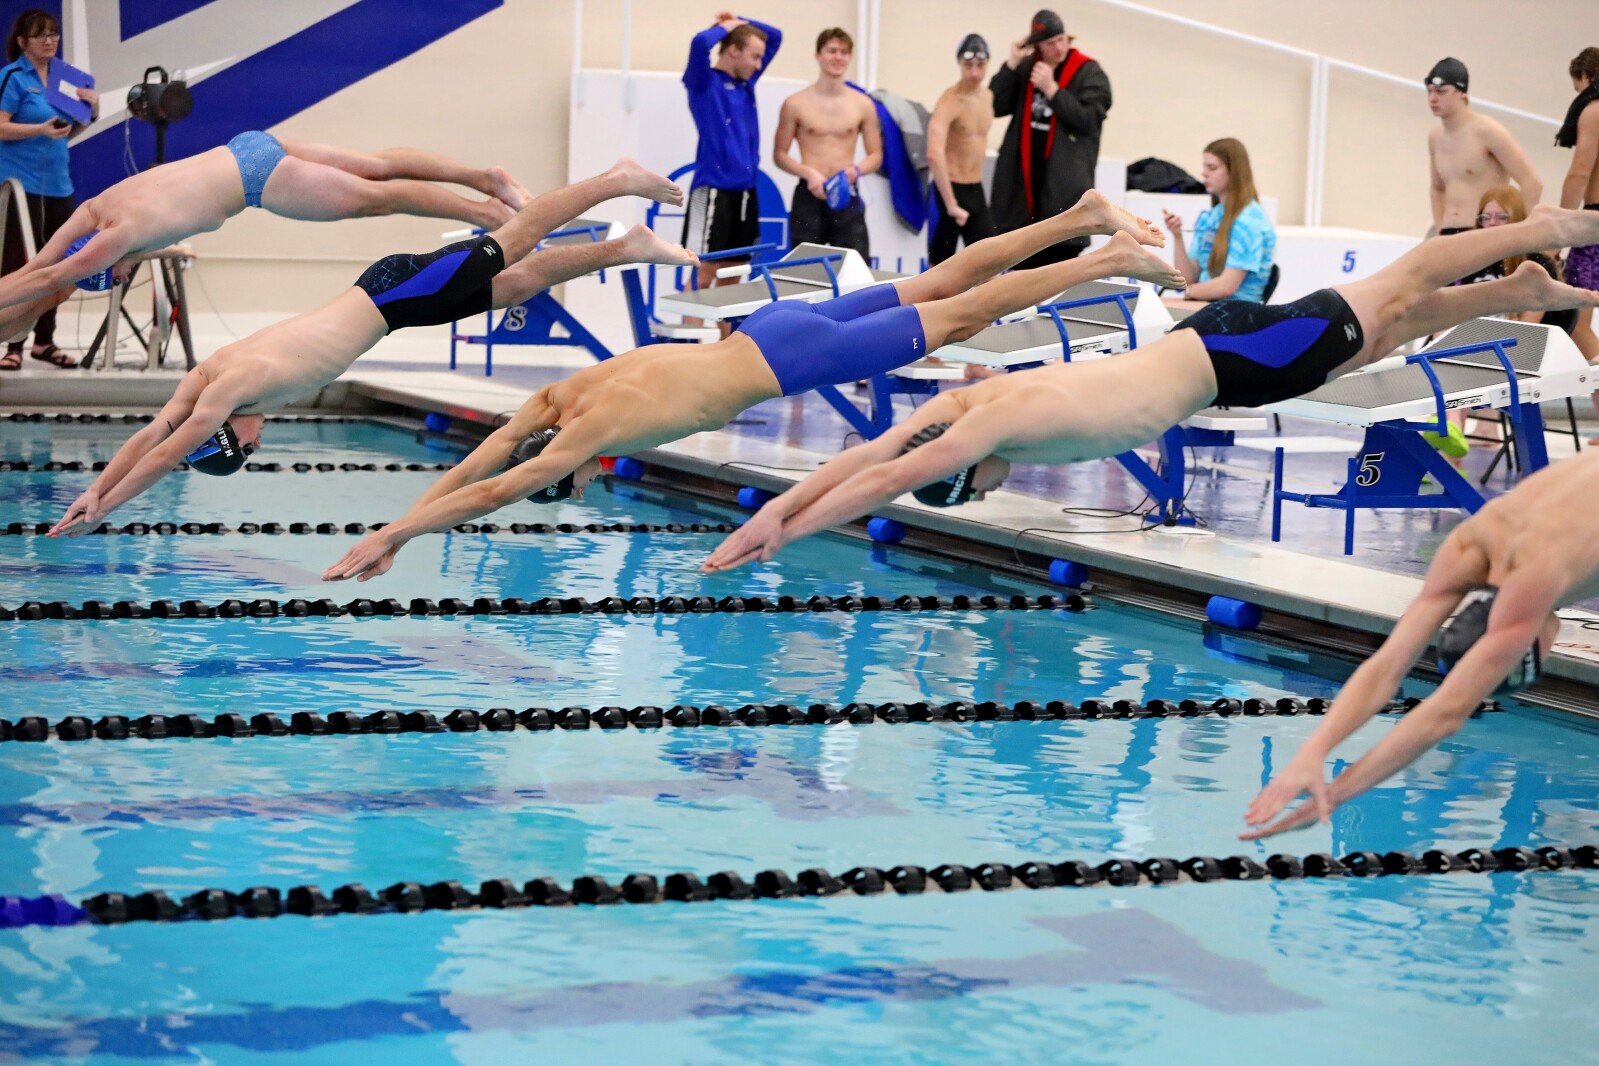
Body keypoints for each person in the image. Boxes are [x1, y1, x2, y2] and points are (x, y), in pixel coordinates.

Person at [318, 191, 1181, 583]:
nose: (573, 483)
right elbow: (488, 452)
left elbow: (498, 485)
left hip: (782, 362)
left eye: (565, 480)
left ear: (564, 461)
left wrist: (399, 538)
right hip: (762, 332)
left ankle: (1105, 256)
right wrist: (394, 527)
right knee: (942, 282)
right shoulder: (564, 397)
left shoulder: (582, 435)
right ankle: (1082, 217)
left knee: (962, 316)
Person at [700, 206, 1599, 573]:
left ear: (966, 478)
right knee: (1388, 321)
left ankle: (1545, 230)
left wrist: (773, 533)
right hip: (1216, 360)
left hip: (1237, 362)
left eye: (972, 490)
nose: (990, 492)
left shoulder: (979, 438)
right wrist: (773, 513)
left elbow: (874, 479)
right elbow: (865, 455)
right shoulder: (973, 404)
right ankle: (1519, 291)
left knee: (1395, 289)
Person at [46, 160, 690, 536]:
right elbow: (150, 435)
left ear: (221, 436)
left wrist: (106, 510)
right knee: (525, 279)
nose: (258, 442)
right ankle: (627, 247)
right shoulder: (205, 381)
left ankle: (616, 179)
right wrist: (96, 491)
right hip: (398, 307)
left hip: (397, 292)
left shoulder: (225, 395)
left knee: (520, 237)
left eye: (245, 447)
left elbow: (160, 458)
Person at [1239, 446, 1599, 840]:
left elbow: (1445, 714)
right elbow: (1383, 670)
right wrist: (1312, 751)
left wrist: (1335, 793)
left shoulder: (1515, 568)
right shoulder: (1478, 546)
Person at [0, 130, 531, 317]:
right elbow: (40, 264)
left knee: (378, 199)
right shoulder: (94, 210)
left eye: (111, 276)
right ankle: (484, 177)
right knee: (377, 164)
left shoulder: (116, 240)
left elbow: (50, 279)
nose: (119, 278)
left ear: (103, 259)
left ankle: (486, 213)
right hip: (247, 145)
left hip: (258, 180)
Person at [0, 8, 96, 370]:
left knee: (58, 265)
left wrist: (92, 112)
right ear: (22, 41)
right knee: (18, 266)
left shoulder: (63, 80)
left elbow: (66, 132)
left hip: (58, 184)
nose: (50, 40)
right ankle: (13, 344)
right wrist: (38, 129)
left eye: (54, 33)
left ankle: (44, 342)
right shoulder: (11, 77)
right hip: (18, 187)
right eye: (40, 34)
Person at [989, 9, 1110, 271]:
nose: (1058, 47)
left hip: (1063, 189)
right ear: (1037, 46)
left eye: (1061, 39)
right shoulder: (1027, 68)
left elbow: (1089, 119)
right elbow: (994, 106)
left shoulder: (1089, 72)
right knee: (1019, 274)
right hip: (1024, 191)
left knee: (1056, 272)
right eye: (1049, 43)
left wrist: (1052, 90)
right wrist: (1011, 65)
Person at [681, 11, 781, 297]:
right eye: (755, 56)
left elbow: (776, 36)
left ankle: (727, 343)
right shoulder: (703, 82)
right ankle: (690, 343)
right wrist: (728, 27)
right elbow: (700, 43)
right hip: (714, 190)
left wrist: (740, 18)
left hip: (746, 193)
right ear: (733, 50)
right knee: (705, 271)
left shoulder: (746, 83)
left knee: (733, 274)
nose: (759, 64)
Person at [772, 27, 882, 258]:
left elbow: (876, 155)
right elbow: (780, 154)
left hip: (846, 191)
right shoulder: (796, 103)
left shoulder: (863, 105)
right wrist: (808, 173)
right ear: (818, 55)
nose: (838, 57)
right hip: (809, 193)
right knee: (804, 269)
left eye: (843, 52)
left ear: (850, 57)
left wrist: (856, 170)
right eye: (831, 51)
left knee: (856, 267)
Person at [1426, 57, 1542, 238]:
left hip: (1482, 233)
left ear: (1462, 93)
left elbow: (1532, 183)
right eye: (1430, 91)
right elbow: (1437, 188)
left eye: (1441, 92)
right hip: (1447, 232)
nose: (1432, 98)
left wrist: (1516, 233)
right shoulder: (1435, 136)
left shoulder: (1487, 131)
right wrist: (1441, 229)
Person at [1162, 138, 1276, 303]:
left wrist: (1189, 291)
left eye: (1212, 168)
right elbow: (1188, 278)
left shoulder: (1249, 222)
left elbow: (1226, 286)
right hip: (1207, 303)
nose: (1204, 173)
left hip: (1237, 310)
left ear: (1234, 172)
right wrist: (1177, 236)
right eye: (1204, 167)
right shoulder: (1211, 217)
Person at [927, 34, 996, 266]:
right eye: (968, 65)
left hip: (976, 189)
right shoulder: (949, 102)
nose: (975, 72)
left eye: (981, 65)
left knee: (988, 266)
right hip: (950, 189)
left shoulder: (988, 97)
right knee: (939, 270)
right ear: (959, 64)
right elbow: (934, 154)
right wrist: (950, 205)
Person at [1556, 47, 1599, 368]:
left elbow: (1579, 173)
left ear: (1586, 77)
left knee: (1576, 321)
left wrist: (1558, 232)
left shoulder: (1594, 109)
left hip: (1595, 226)